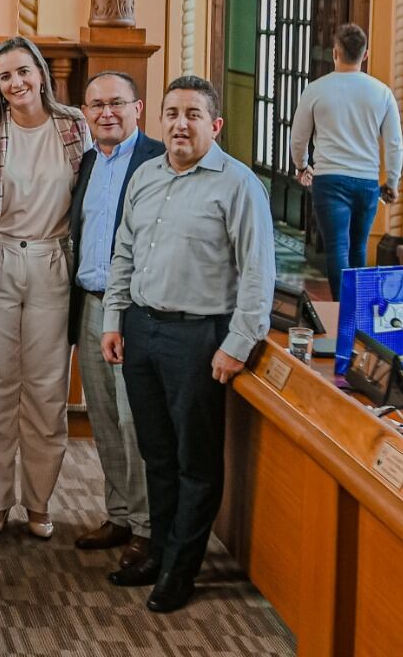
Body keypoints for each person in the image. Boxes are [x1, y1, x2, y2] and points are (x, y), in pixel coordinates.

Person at [101, 75, 274, 613]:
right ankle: (158, 549)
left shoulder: (238, 185)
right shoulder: (146, 176)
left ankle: (182, 569)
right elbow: (124, 253)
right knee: (156, 451)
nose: (180, 123)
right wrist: (113, 317)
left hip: (200, 338)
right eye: (172, 113)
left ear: (214, 125)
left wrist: (238, 342)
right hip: (142, 330)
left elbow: (257, 273)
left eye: (193, 114)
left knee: (194, 459)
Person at [0, 36, 88, 541]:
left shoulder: (73, 126)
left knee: (45, 387)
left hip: (53, 259)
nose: (16, 83)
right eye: (5, 76)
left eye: (23, 72)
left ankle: (39, 502)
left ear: (41, 72)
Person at [67, 70, 164, 568]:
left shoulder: (158, 162)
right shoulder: (87, 161)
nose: (106, 112)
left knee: (133, 419)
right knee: (103, 415)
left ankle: (148, 528)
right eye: (96, 104)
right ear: (85, 113)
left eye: (117, 103)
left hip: (131, 309)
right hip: (89, 303)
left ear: (138, 108)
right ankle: (120, 513)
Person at [289, 23, 403, 301]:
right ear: (365, 56)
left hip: (328, 180)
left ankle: (343, 311)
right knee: (359, 247)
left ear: (334, 53)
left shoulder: (316, 90)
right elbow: (394, 143)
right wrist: (391, 182)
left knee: (337, 247)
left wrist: (302, 166)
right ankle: (357, 312)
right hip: (366, 181)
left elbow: (298, 138)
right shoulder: (382, 92)